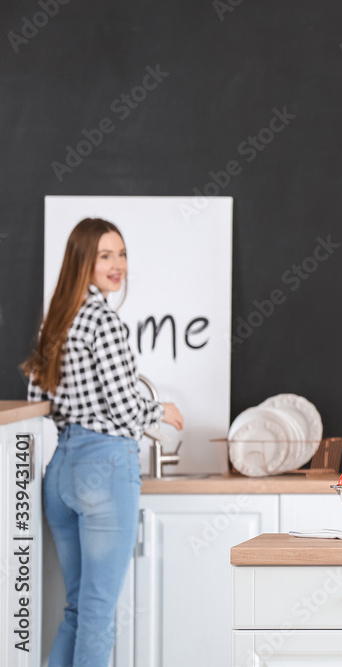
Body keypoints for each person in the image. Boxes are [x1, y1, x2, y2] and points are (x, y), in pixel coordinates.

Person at [23, 218, 183, 667]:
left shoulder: (54, 322)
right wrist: (161, 412)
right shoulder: (103, 321)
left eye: (122, 254)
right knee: (97, 614)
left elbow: (41, 403)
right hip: (104, 467)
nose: (118, 266)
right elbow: (125, 408)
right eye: (105, 256)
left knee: (76, 610)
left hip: (61, 471)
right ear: (83, 263)